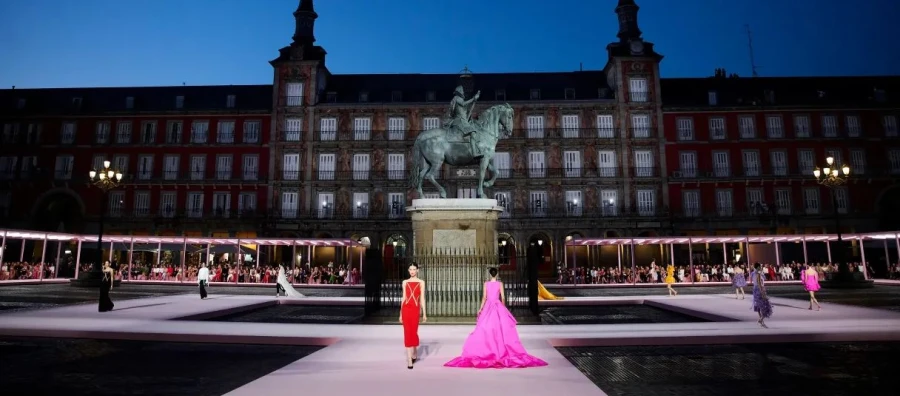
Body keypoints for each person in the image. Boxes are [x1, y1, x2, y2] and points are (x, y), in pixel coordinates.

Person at [445, 267, 548, 369]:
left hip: (488, 306)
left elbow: (484, 297)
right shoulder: (500, 284)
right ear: (497, 274)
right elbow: (503, 297)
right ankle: (500, 349)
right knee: (501, 328)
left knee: (485, 327)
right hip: (498, 306)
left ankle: (488, 349)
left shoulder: (486, 284)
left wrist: (480, 308)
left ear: (490, 274)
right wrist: (503, 307)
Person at [400, 263, 426, 369]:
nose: (412, 271)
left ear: (417, 270)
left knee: (414, 332)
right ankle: (409, 359)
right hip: (406, 309)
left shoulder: (421, 282)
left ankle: (415, 351)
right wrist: (400, 313)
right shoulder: (405, 282)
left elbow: (422, 299)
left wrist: (424, 313)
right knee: (407, 332)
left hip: (415, 310)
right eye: (410, 269)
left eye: (414, 269)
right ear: (408, 270)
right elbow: (403, 298)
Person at [444, 86, 482, 156]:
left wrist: (474, 100)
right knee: (473, 133)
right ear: (460, 92)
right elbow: (464, 104)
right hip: (460, 121)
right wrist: (473, 99)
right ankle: (474, 153)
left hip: (462, 120)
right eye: (462, 91)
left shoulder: (458, 99)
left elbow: (465, 109)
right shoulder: (457, 98)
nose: (463, 92)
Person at [751, 262, 773, 328]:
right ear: (758, 267)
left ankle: (761, 321)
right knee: (766, 306)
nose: (761, 267)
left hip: (755, 290)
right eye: (760, 266)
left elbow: (754, 282)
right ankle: (761, 320)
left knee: (759, 306)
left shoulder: (753, 273)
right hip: (760, 290)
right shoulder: (758, 274)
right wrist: (762, 292)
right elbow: (760, 283)